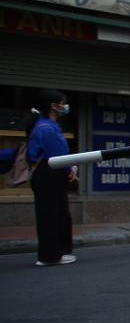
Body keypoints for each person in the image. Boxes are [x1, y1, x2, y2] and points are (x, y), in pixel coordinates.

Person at [25, 89, 78, 266]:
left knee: (59, 214)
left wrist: (70, 168)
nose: (64, 106)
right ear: (53, 106)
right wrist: (70, 170)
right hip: (48, 175)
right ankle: (49, 256)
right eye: (62, 103)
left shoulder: (48, 125)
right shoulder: (45, 128)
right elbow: (56, 156)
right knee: (51, 216)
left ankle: (56, 253)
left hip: (52, 174)